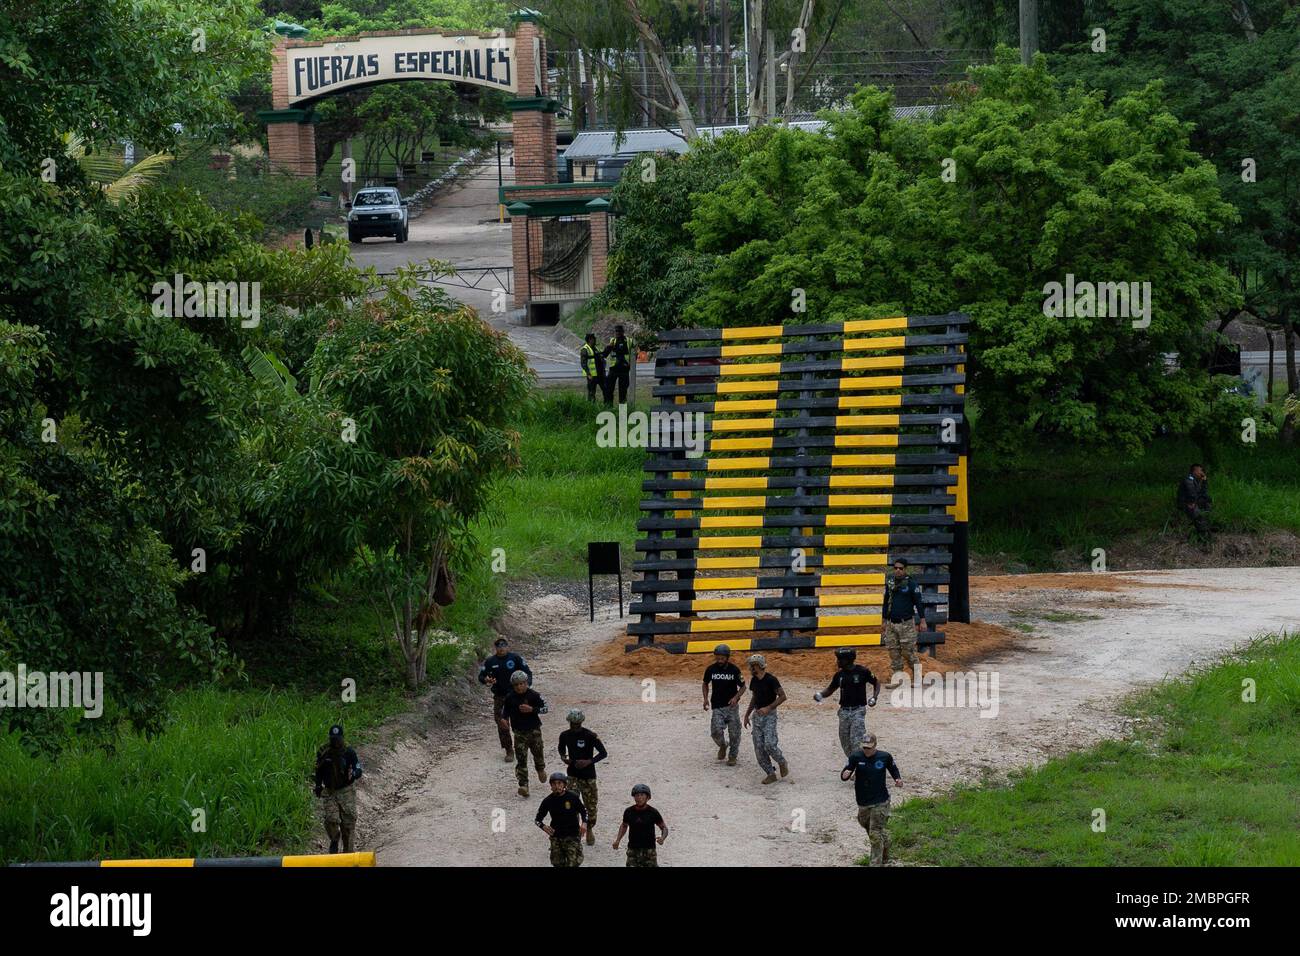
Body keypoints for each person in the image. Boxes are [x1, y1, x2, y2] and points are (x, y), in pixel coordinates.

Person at [841, 734, 902, 866]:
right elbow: (846, 772)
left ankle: (875, 863)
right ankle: (885, 840)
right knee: (865, 824)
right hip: (863, 801)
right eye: (864, 748)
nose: (866, 750)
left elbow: (893, 768)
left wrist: (898, 779)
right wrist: (845, 774)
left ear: (875, 746)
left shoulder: (884, 756)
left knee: (874, 835)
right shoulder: (856, 757)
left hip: (880, 801)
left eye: (869, 748)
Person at [814, 647, 881, 758]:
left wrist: (874, 697)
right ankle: (853, 762)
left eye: (840, 659)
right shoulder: (839, 675)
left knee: (856, 741)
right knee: (845, 742)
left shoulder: (862, 671)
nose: (837, 662)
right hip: (843, 712)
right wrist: (820, 695)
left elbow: (876, 682)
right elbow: (830, 689)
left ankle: (858, 767)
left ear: (848, 660)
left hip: (858, 710)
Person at [557, 708, 607, 846]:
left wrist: (589, 761)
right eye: (572, 723)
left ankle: (589, 827)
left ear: (581, 722)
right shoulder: (564, 735)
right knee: (571, 804)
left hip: (588, 775)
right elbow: (561, 748)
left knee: (591, 806)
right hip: (573, 774)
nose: (575, 726)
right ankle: (574, 832)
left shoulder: (590, 736)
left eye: (577, 723)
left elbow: (603, 753)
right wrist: (564, 757)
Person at [478, 638, 532, 762]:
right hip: (500, 696)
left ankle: (522, 746)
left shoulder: (515, 658)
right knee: (502, 723)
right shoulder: (491, 661)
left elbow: (528, 672)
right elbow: (481, 676)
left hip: (516, 696)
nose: (501, 648)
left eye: (503, 646)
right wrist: (486, 680)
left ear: (508, 646)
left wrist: (527, 687)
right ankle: (508, 749)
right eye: (498, 646)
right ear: (495, 648)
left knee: (520, 721)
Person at [314, 723, 363, 854]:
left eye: (337, 739)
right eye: (333, 739)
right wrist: (318, 785)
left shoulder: (349, 752)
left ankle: (348, 855)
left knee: (348, 825)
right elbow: (318, 770)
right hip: (330, 791)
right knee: (331, 819)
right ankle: (334, 839)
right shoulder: (324, 752)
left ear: (342, 738)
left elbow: (358, 768)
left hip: (346, 791)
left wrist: (354, 774)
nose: (335, 742)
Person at [500, 670, 548, 796]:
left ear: (526, 683)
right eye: (516, 685)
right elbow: (505, 712)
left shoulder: (534, 695)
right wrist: (504, 720)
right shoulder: (510, 697)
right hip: (519, 733)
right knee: (521, 759)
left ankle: (540, 768)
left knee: (538, 753)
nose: (519, 687)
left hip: (534, 731)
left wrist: (532, 709)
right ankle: (523, 785)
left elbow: (545, 708)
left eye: (522, 684)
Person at [742, 654, 789, 784]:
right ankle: (770, 773)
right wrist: (747, 715)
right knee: (758, 748)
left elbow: (782, 696)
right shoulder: (754, 680)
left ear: (759, 665)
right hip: (757, 716)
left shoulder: (771, 680)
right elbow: (754, 697)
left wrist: (768, 708)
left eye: (753, 665)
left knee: (769, 744)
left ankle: (781, 762)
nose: (751, 668)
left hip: (769, 715)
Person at [881, 558, 924, 688]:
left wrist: (922, 620)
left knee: (908, 652)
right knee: (893, 652)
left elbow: (918, 603)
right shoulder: (890, 583)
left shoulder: (911, 584)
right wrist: (883, 620)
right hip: (891, 623)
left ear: (905, 569)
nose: (898, 570)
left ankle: (917, 678)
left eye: (901, 568)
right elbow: (886, 601)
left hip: (906, 623)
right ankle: (897, 679)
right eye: (896, 568)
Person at [702, 644, 746, 765]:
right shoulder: (710, 669)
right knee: (715, 731)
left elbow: (743, 687)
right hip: (717, 706)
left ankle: (733, 756)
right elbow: (705, 683)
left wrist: (736, 697)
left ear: (727, 657)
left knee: (735, 733)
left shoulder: (734, 670)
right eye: (717, 657)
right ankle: (723, 745)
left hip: (732, 707)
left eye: (722, 658)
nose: (719, 660)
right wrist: (705, 699)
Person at [535, 771, 587, 867]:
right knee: (557, 863)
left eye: (559, 783)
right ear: (551, 786)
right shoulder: (547, 801)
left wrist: (584, 823)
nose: (557, 786)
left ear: (564, 785)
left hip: (572, 835)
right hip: (556, 837)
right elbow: (537, 820)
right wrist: (543, 826)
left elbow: (584, 811)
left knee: (573, 863)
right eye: (554, 784)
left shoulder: (572, 797)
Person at [612, 783, 668, 867]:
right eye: (637, 795)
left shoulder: (653, 812)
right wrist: (618, 840)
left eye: (642, 795)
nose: (639, 798)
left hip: (649, 850)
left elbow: (664, 828)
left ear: (647, 797)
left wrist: (662, 838)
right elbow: (624, 826)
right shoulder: (628, 811)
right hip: (633, 850)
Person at [1176, 463, 1213, 542]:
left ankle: (1207, 519)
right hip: (1186, 502)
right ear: (1195, 470)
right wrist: (1193, 502)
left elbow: (1203, 493)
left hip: (1193, 501)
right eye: (1200, 470)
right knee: (1198, 515)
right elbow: (1191, 493)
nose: (1202, 472)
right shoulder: (1188, 479)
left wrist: (1204, 481)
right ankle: (1204, 535)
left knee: (1207, 500)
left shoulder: (1196, 481)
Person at [601, 324, 632, 405]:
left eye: (619, 331)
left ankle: (622, 412)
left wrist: (630, 364)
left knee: (623, 392)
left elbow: (636, 352)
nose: (617, 333)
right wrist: (608, 347)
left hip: (624, 370)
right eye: (616, 331)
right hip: (613, 369)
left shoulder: (629, 341)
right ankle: (609, 407)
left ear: (623, 332)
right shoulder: (612, 341)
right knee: (609, 389)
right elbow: (604, 355)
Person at [580, 333, 606, 403]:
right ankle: (591, 407)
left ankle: (607, 406)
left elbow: (602, 357)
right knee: (591, 393)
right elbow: (583, 363)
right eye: (594, 339)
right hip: (592, 375)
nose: (595, 340)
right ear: (590, 340)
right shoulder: (584, 349)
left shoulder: (596, 348)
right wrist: (588, 374)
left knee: (606, 390)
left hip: (600, 374)